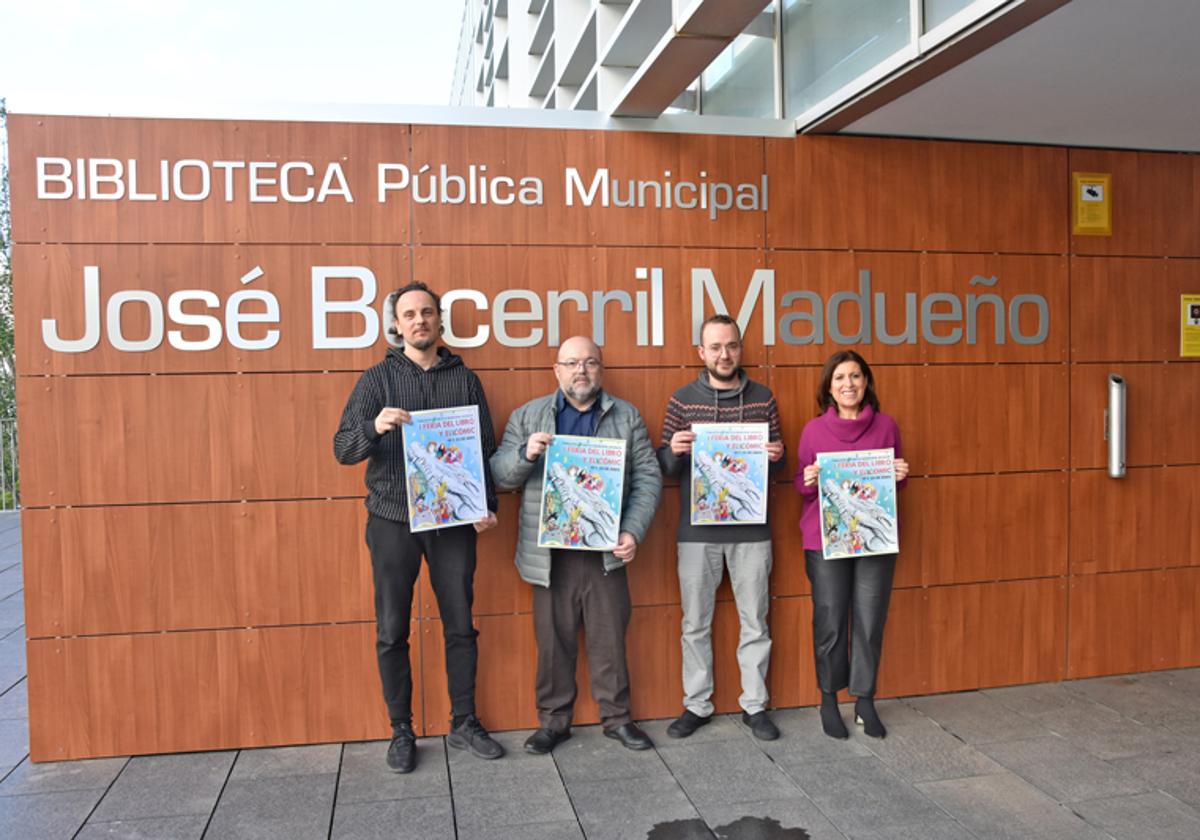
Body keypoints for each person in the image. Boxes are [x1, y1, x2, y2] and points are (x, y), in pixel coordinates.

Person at [333, 281, 504, 773]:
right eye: (409, 314)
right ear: (396, 325)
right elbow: (342, 449)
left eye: (427, 312)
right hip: (393, 519)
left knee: (460, 624)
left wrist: (486, 506)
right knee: (392, 628)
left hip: (453, 520)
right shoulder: (376, 380)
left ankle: (464, 722)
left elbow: (484, 449)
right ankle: (401, 729)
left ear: (439, 320)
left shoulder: (465, 380)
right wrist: (374, 427)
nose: (419, 321)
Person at [490, 336, 662, 755]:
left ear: (600, 369)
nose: (580, 371)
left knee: (610, 640)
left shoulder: (626, 417)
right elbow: (499, 474)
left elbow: (648, 478)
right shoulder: (528, 416)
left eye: (589, 362)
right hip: (550, 556)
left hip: (605, 550)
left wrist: (632, 531)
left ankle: (618, 719)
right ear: (557, 370)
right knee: (552, 643)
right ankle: (553, 723)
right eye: (571, 363)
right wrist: (526, 454)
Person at [657, 315, 786, 741]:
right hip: (697, 532)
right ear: (701, 352)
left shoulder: (764, 398)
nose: (724, 354)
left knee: (756, 622)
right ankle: (697, 704)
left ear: (740, 349)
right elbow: (664, 465)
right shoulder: (681, 400)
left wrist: (776, 455)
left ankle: (755, 705)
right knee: (695, 624)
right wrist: (673, 450)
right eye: (715, 347)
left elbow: (778, 462)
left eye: (731, 346)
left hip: (753, 531)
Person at [794, 350, 909, 740]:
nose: (849, 384)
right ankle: (828, 699)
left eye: (856, 376)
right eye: (840, 377)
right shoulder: (813, 431)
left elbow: (890, 489)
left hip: (875, 541)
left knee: (870, 619)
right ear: (829, 387)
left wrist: (899, 474)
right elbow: (800, 487)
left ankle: (864, 700)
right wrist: (808, 480)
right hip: (825, 540)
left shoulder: (886, 426)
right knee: (829, 619)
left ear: (866, 382)